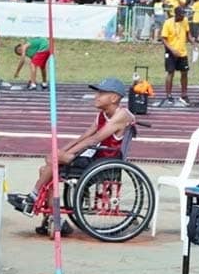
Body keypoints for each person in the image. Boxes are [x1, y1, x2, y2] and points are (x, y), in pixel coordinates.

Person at [9, 77, 136, 233]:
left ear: (114, 98)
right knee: (46, 169)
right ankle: (53, 220)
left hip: (104, 163)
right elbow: (83, 137)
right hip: (95, 159)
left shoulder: (121, 115)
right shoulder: (102, 115)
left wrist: (66, 154)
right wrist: (61, 150)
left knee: (55, 161)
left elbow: (94, 139)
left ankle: (33, 198)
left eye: (101, 93)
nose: (96, 96)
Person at [160, 5, 190, 106]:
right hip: (171, 52)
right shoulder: (168, 23)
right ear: (176, 14)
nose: (183, 17)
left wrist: (193, 41)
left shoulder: (185, 21)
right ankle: (168, 95)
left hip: (182, 52)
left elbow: (188, 33)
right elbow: (164, 39)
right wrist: (172, 50)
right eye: (181, 15)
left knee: (184, 72)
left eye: (183, 14)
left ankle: (184, 94)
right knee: (170, 73)